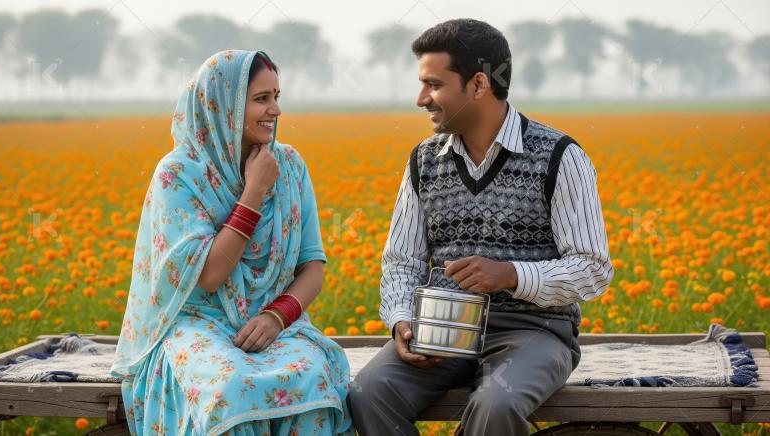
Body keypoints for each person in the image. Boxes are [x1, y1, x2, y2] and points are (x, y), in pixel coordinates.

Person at [349, 19, 614, 436]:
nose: (421, 99)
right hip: (441, 329)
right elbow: (402, 262)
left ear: (477, 84)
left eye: (433, 85)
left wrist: (511, 275)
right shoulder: (423, 160)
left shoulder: (560, 156)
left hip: (535, 333)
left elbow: (593, 268)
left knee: (497, 403)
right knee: (367, 394)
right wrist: (403, 321)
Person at [110, 49, 354, 436]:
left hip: (276, 324)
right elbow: (209, 275)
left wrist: (277, 316)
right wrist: (254, 190)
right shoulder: (178, 174)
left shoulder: (289, 165)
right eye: (261, 99)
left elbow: (312, 266)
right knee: (231, 390)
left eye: (277, 96)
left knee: (313, 380)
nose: (275, 109)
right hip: (198, 325)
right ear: (222, 106)